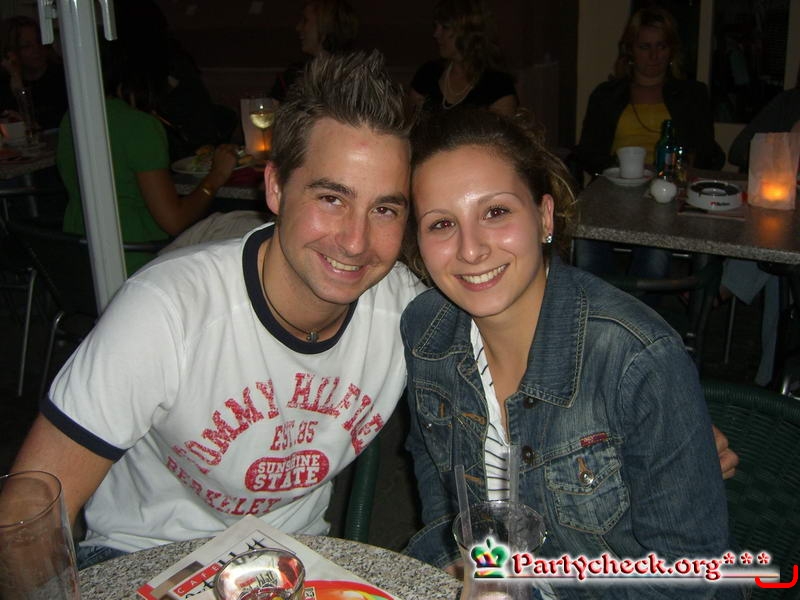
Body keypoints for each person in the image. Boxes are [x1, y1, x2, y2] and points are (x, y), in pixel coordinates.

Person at [10, 50, 425, 569]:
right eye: (331, 199)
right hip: (142, 557)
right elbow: (28, 507)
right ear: (276, 187)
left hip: (295, 562)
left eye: (384, 208)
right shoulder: (167, 311)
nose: (356, 241)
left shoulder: (409, 313)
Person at [401, 108, 738, 598]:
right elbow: (435, 474)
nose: (470, 250)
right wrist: (458, 567)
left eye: (495, 212)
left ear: (544, 216)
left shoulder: (635, 360)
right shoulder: (426, 330)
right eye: (441, 224)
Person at [58, 37, 238, 275]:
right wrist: (217, 176)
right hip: (135, 259)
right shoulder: (139, 125)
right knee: (241, 226)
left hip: (78, 257)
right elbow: (174, 221)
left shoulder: (74, 116)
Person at [574, 7, 724, 284]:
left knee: (655, 249)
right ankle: (598, 304)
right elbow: (586, 153)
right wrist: (621, 168)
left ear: (671, 50)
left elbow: (709, 153)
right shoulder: (607, 95)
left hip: (667, 192)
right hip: (616, 189)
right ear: (630, 50)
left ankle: (638, 306)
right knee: (585, 243)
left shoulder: (692, 95)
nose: (653, 56)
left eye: (661, 46)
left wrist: (684, 163)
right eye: (645, 47)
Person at [406, 0, 517, 119]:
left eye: (445, 27)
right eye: (436, 26)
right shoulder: (428, 74)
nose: (436, 34)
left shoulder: (498, 86)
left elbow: (501, 129)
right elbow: (409, 123)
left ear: (467, 31)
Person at [269, 0, 359, 103]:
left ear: (325, 27)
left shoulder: (355, 80)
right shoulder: (293, 77)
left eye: (305, 21)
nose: (298, 28)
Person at [0, 15, 68, 130]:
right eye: (27, 46)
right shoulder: (5, 84)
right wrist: (16, 79)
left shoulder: (62, 76)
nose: (37, 49)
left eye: (39, 42)